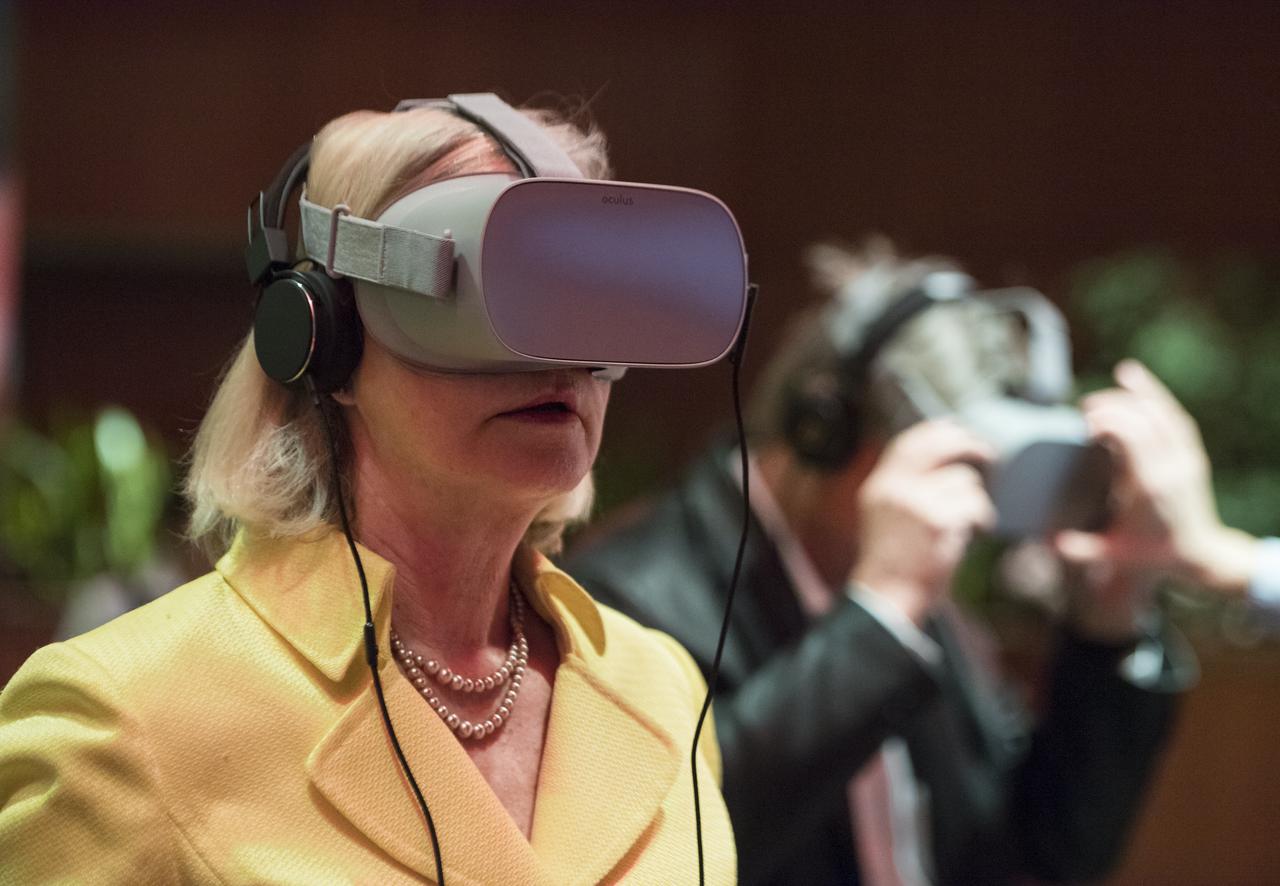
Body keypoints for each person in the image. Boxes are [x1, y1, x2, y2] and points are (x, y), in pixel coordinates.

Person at [0, 99, 735, 884]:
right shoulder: (123, 719)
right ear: (328, 337)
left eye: (592, 297)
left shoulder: (660, 688)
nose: (564, 357)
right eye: (494, 291)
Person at [565, 240, 1206, 885]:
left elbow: (1045, 858)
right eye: (956, 464)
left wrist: (1109, 620)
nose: (972, 508)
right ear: (828, 430)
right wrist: (881, 615)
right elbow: (674, 840)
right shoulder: (624, 600)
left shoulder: (925, 601)